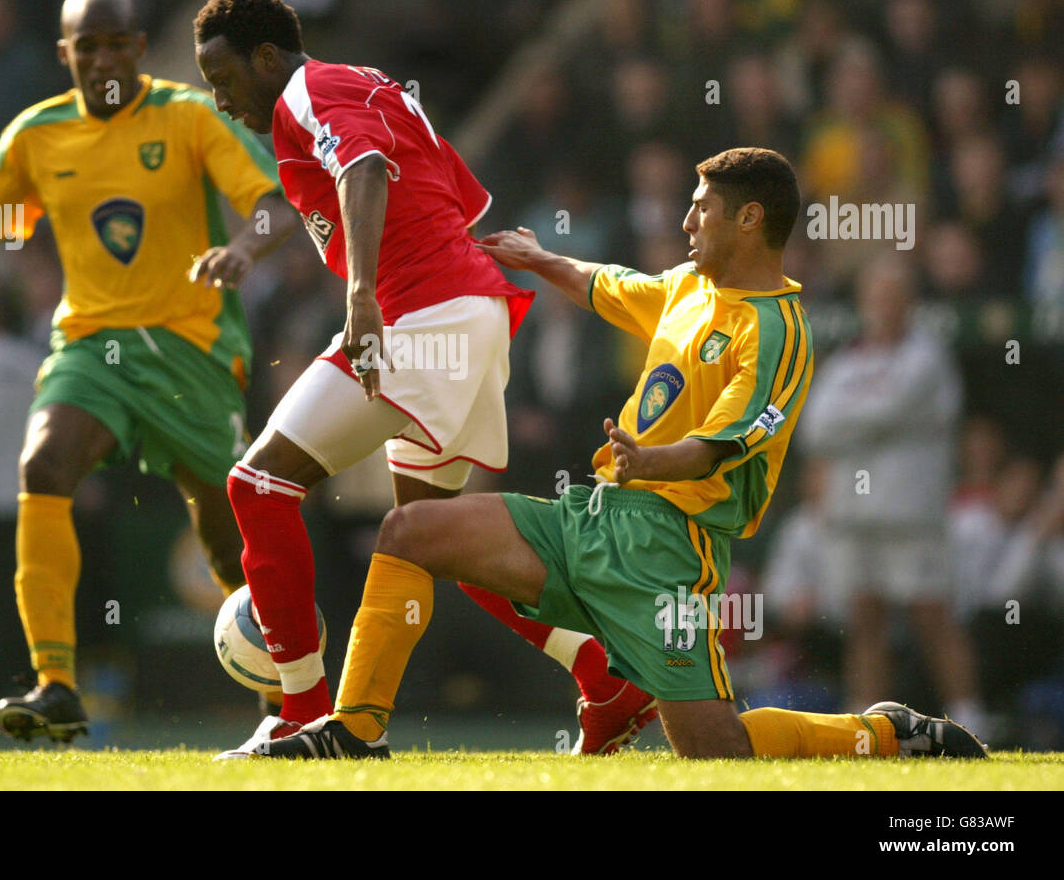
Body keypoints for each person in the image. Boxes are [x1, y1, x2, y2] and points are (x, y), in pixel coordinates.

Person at [259, 146, 988, 760]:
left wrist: (648, 461)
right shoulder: (689, 287)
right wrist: (539, 258)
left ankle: (884, 733)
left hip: (669, 554)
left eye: (700, 207)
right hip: (593, 519)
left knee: (716, 749)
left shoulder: (775, 330)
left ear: (750, 217)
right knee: (410, 533)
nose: (685, 220)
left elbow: (718, 449)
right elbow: (607, 285)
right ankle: (354, 731)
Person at [194, 0, 657, 758]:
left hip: (417, 312)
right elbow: (452, 196)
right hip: (467, 309)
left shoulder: (309, 89)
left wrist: (362, 293)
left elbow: (366, 171)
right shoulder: (365, 82)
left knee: (257, 484)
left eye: (224, 79)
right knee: (434, 539)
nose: (220, 99)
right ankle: (603, 674)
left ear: (266, 57)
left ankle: (302, 710)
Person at [0, 0, 298, 742]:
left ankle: (282, 681)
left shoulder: (188, 115)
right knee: (43, 465)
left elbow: (272, 202)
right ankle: (57, 683)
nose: (101, 58)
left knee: (224, 532)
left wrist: (244, 248)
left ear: (137, 46)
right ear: (64, 54)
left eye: (115, 42)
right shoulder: (37, 137)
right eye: (84, 46)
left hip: (191, 348)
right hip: (91, 344)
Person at [798, 257, 986, 734]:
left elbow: (889, 408)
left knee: (933, 618)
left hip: (912, 516)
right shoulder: (844, 364)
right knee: (864, 621)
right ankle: (866, 726)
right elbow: (815, 428)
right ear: (863, 303)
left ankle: (970, 718)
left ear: (910, 302)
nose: (883, 305)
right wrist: (864, 421)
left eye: (893, 295)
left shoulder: (928, 357)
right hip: (854, 517)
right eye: (875, 296)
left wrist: (854, 421)